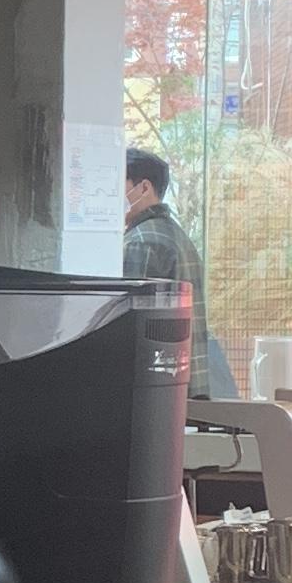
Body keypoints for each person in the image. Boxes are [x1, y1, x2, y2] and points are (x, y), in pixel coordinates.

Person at [122, 148, 231, 401]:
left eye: (117, 184)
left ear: (144, 188)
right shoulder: (175, 235)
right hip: (185, 384)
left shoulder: (141, 242)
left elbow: (128, 329)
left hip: (154, 391)